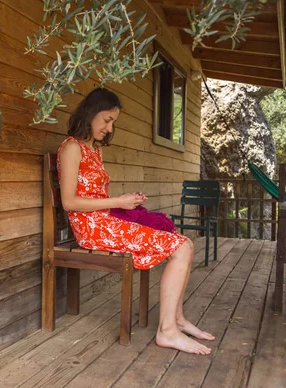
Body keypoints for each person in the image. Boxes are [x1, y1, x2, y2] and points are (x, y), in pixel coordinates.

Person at [57, 87, 214, 355]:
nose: (109, 127)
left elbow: (98, 196)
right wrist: (119, 202)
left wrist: (128, 201)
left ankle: (177, 319)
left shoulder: (93, 150)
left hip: (105, 222)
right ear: (91, 113)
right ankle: (167, 331)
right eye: (107, 120)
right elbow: (69, 202)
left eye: (112, 122)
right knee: (181, 247)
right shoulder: (72, 147)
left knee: (184, 242)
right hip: (91, 229)